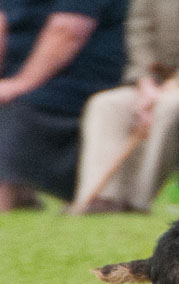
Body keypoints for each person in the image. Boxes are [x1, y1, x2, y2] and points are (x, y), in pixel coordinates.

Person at [71, 0, 179, 214]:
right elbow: (138, 31)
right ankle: (101, 198)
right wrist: (145, 80)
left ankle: (137, 200)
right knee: (105, 105)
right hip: (151, 80)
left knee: (171, 106)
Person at [0, 0, 127, 213]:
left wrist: (19, 84)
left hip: (79, 79)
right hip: (21, 77)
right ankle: (21, 196)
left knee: (18, 108)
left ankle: (7, 198)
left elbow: (68, 31)